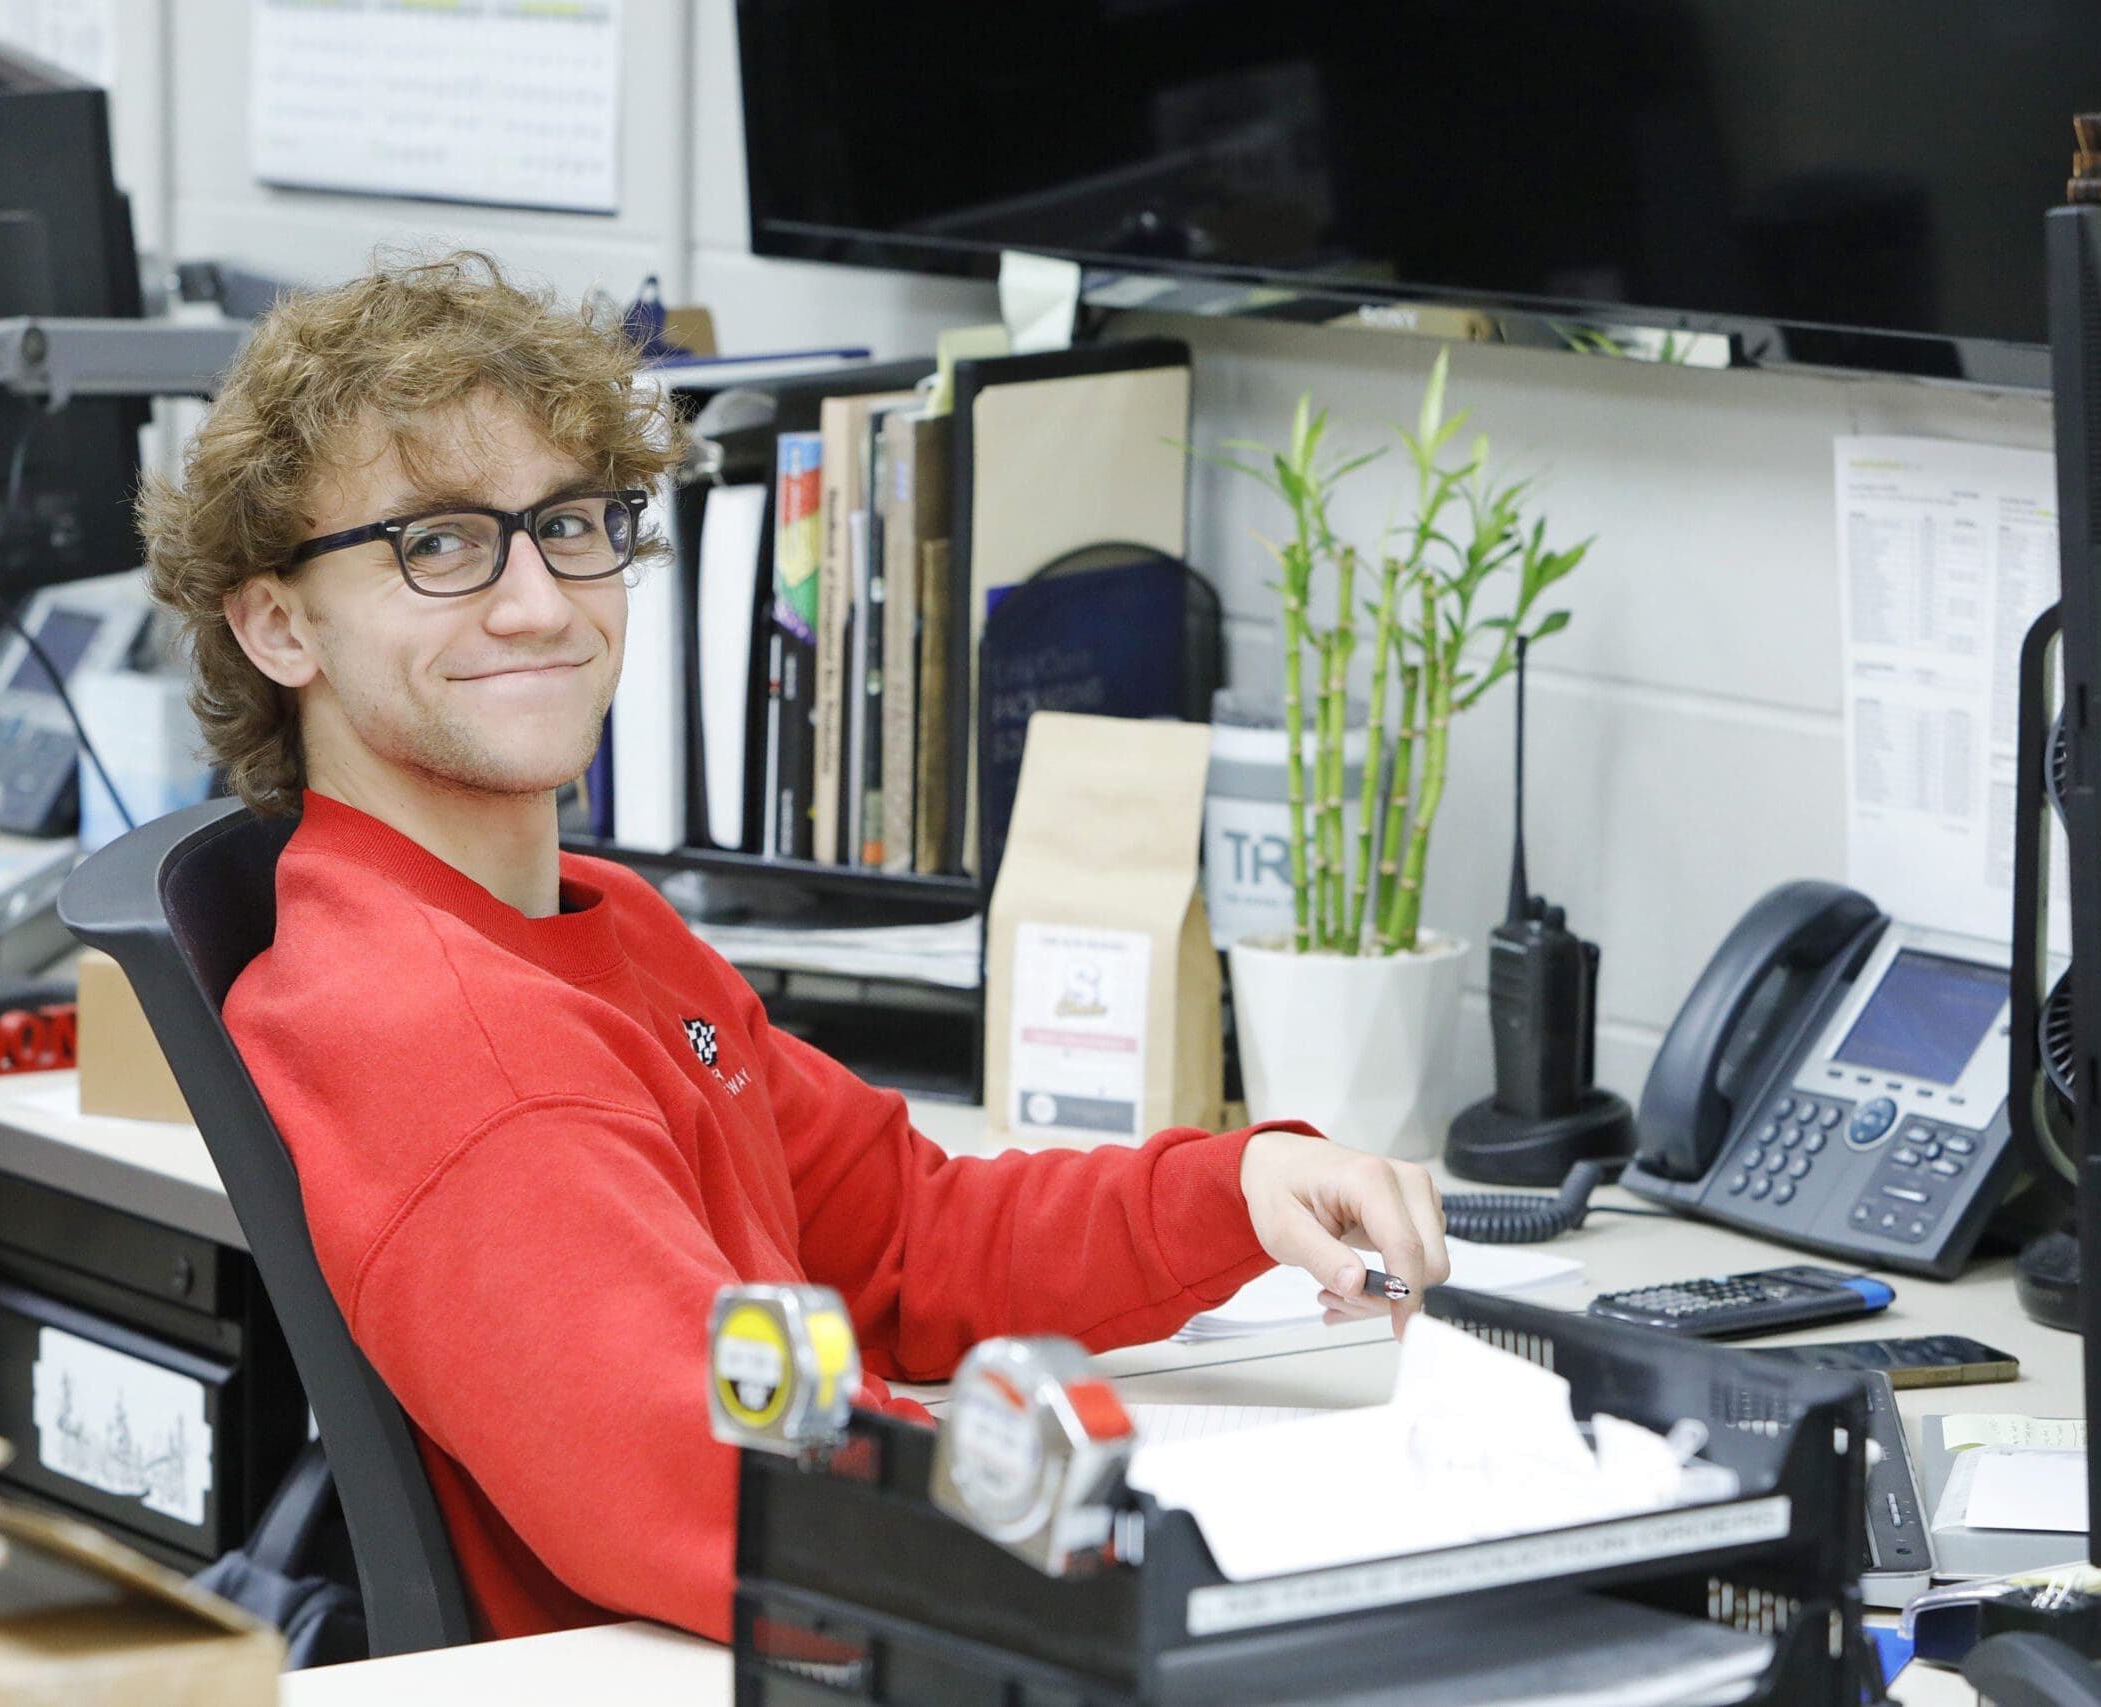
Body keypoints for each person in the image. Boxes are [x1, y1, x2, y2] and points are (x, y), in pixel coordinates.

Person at [143, 251, 1450, 1643]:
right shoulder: (451, 1041)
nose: (539, 603)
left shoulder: (588, 927)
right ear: (279, 624)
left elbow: (904, 1240)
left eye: (568, 524)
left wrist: (1233, 1189)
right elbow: (757, 1486)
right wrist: (1194, 1548)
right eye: (439, 545)